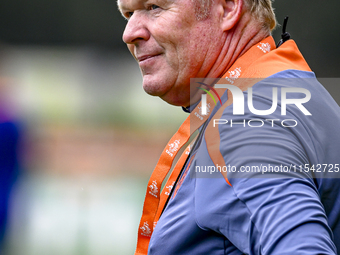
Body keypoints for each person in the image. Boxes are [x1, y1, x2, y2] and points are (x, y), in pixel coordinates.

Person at [118, 0, 340, 254]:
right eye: (128, 13)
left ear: (229, 7)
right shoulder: (285, 93)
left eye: (154, 6)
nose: (130, 32)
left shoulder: (246, 122)